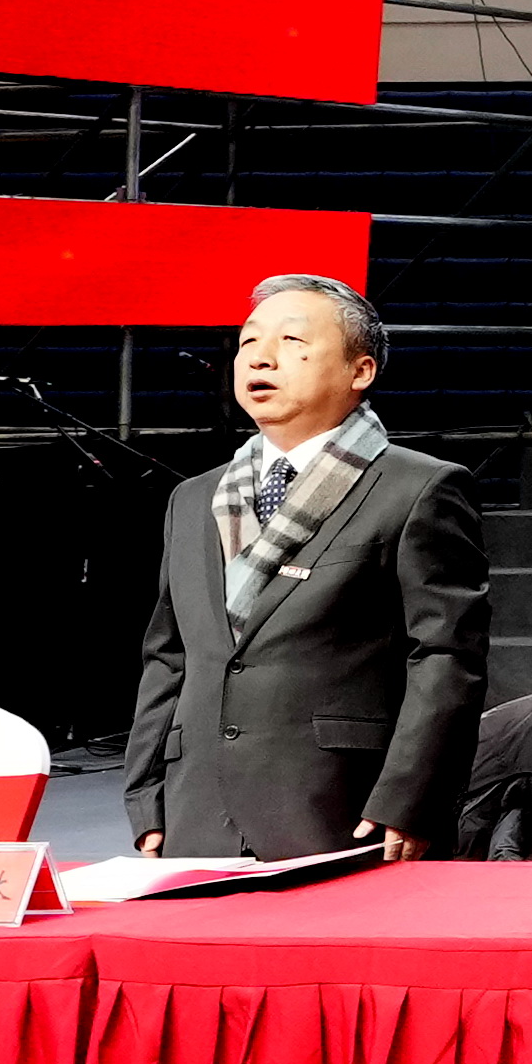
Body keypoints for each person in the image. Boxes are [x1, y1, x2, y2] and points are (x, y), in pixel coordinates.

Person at [125, 273, 489, 861]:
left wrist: (410, 798)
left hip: (344, 809)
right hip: (196, 813)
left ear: (360, 371)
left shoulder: (419, 488)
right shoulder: (193, 499)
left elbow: (446, 656)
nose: (260, 357)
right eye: (249, 341)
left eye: (292, 341)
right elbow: (168, 658)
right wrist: (146, 801)